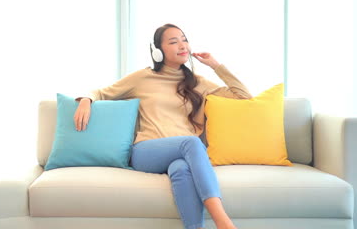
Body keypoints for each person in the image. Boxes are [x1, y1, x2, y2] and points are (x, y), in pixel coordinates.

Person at [74, 23, 252, 229]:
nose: (182, 45)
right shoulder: (143, 77)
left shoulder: (197, 82)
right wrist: (86, 100)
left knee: (182, 169)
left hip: (181, 155)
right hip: (146, 151)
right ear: (158, 51)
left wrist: (216, 65)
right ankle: (224, 223)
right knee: (192, 143)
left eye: (184, 39)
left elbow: (243, 96)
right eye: (173, 41)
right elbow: (102, 92)